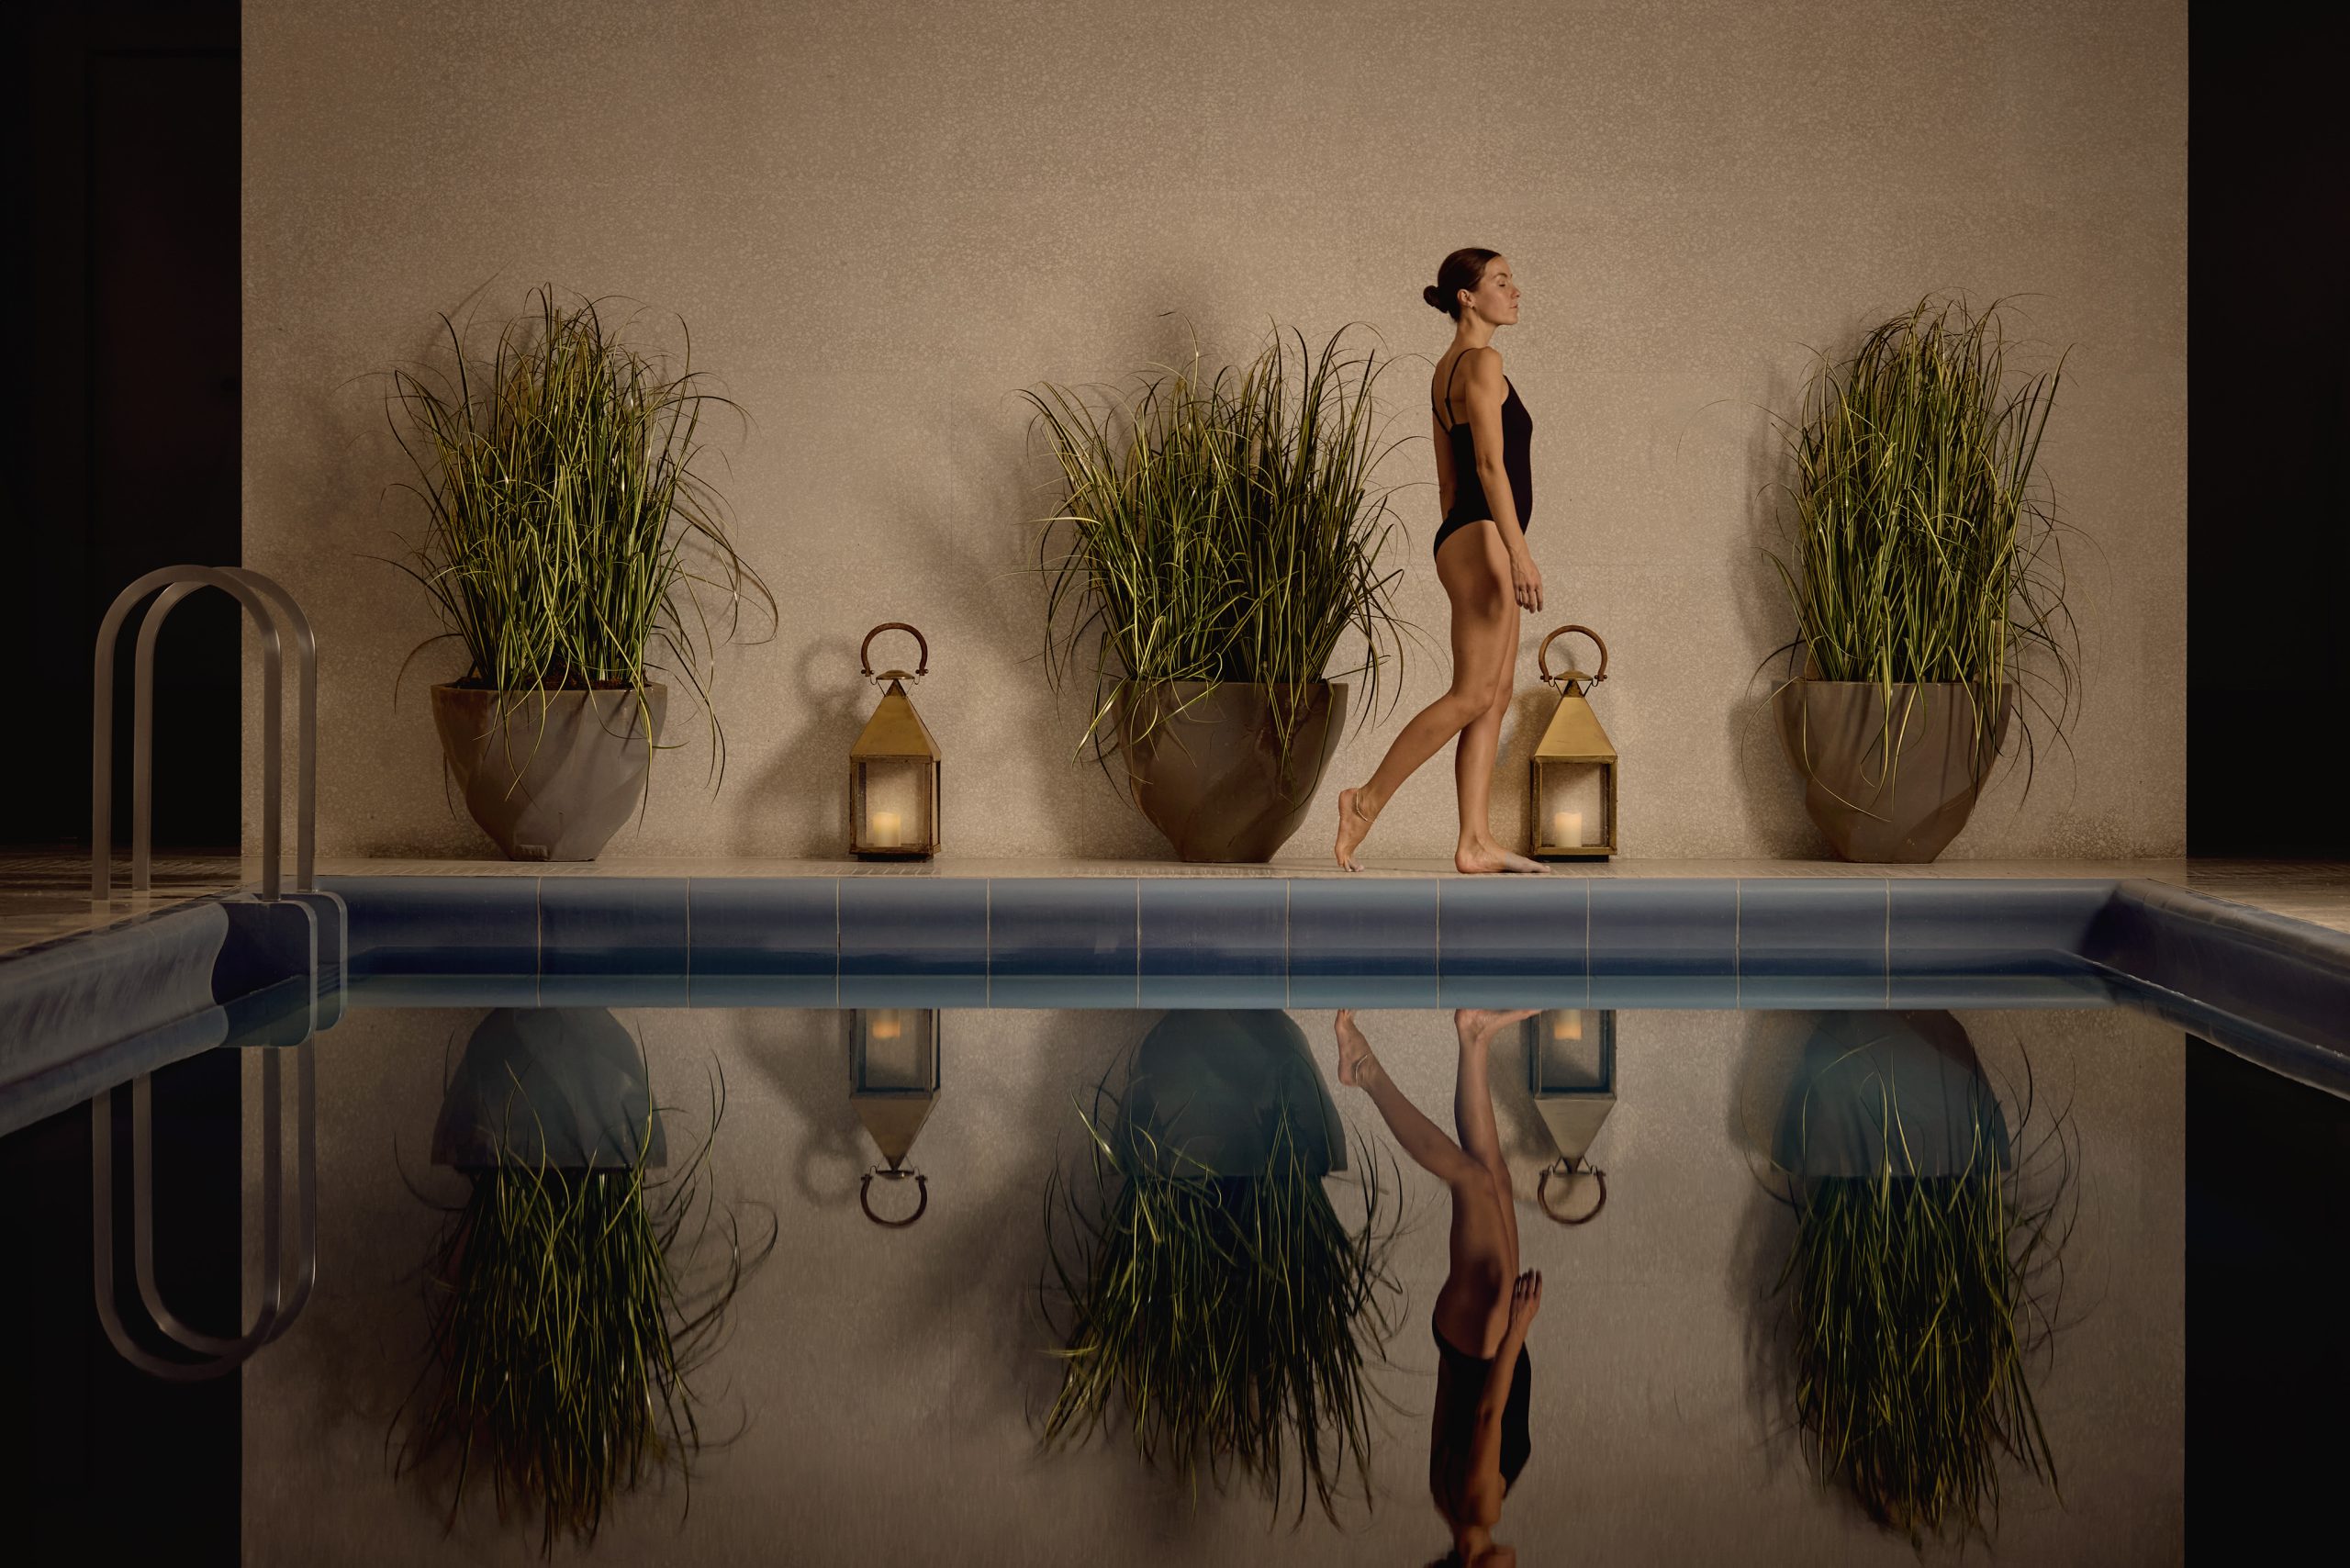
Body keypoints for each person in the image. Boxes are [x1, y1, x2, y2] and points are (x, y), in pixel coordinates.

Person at [1335, 249, 1546, 874]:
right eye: (1501, 281)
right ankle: (1364, 802)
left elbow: (1446, 481)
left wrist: (1465, 541)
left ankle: (1474, 841)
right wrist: (1518, 552)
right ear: (1467, 297)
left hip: (1464, 531)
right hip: (1484, 537)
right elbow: (1486, 466)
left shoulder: (1444, 370)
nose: (1516, 290)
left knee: (1495, 693)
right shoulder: (1483, 362)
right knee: (1473, 692)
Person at [1336, 1008, 1543, 1566]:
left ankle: (1364, 1069)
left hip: (1486, 1340)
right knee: (1491, 1175)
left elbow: (1485, 1417)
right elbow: (1447, 1397)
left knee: (1471, 1181)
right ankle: (1473, 1039)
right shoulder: (1444, 1503)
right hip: (1462, 1341)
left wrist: (1515, 1329)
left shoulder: (1479, 1510)